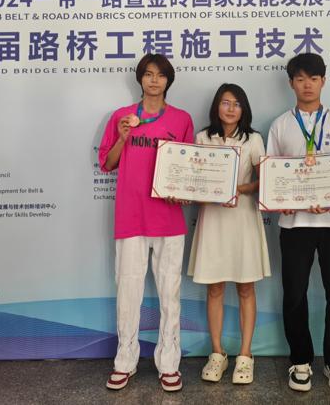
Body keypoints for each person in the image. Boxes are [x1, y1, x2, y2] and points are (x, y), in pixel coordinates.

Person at [266, 53, 330, 392]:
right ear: (291, 83)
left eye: (313, 78)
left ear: (323, 81)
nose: (306, 85)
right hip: (294, 224)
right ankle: (300, 361)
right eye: (300, 79)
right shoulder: (281, 125)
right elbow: (273, 172)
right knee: (294, 294)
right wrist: (280, 200)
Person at [98, 53, 194, 392]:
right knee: (128, 292)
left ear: (168, 81)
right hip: (131, 217)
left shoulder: (181, 119)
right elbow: (107, 164)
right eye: (148, 74)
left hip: (168, 219)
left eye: (160, 75)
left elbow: (189, 167)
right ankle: (124, 361)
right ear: (140, 79)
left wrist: (183, 191)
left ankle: (169, 364)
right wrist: (123, 137)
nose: (154, 80)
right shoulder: (121, 117)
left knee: (170, 294)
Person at [187, 83, 271, 384]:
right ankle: (217, 353)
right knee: (215, 288)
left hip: (242, 219)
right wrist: (202, 192)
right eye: (225, 102)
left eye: (237, 103)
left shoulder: (253, 139)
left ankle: (245, 355)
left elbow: (266, 180)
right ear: (217, 107)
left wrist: (239, 189)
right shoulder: (203, 138)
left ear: (243, 108)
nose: (231, 108)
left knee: (246, 288)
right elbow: (193, 178)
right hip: (213, 220)